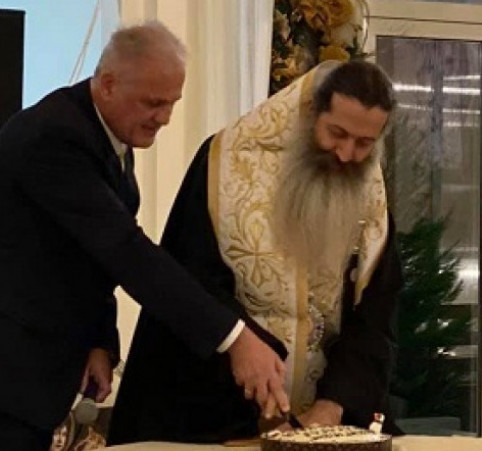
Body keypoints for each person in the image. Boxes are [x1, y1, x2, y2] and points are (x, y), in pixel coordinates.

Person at [0, 21, 289, 450]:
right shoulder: (53, 138)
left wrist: (99, 342)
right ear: (108, 84)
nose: (165, 118)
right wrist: (235, 338)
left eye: (172, 103)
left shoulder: (105, 134)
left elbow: (88, 256)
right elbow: (125, 251)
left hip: (19, 376)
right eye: (153, 103)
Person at [107, 59, 404, 445]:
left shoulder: (369, 190)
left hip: (328, 420)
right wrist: (245, 364)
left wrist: (333, 404)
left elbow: (376, 315)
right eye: (337, 133)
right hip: (222, 411)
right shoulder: (225, 161)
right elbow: (193, 283)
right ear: (310, 112)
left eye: (364, 143)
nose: (347, 154)